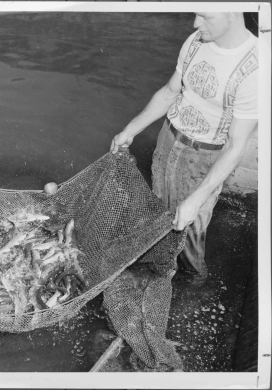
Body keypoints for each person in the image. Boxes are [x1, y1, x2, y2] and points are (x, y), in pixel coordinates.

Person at [110, 12, 258, 285]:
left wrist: (196, 199)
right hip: (168, 141)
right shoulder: (196, 40)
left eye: (205, 16)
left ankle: (193, 284)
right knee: (159, 215)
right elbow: (169, 92)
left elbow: (236, 144)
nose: (195, 23)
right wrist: (130, 130)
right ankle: (159, 274)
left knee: (189, 230)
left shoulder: (256, 66)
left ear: (234, 13)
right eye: (195, 13)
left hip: (204, 157)